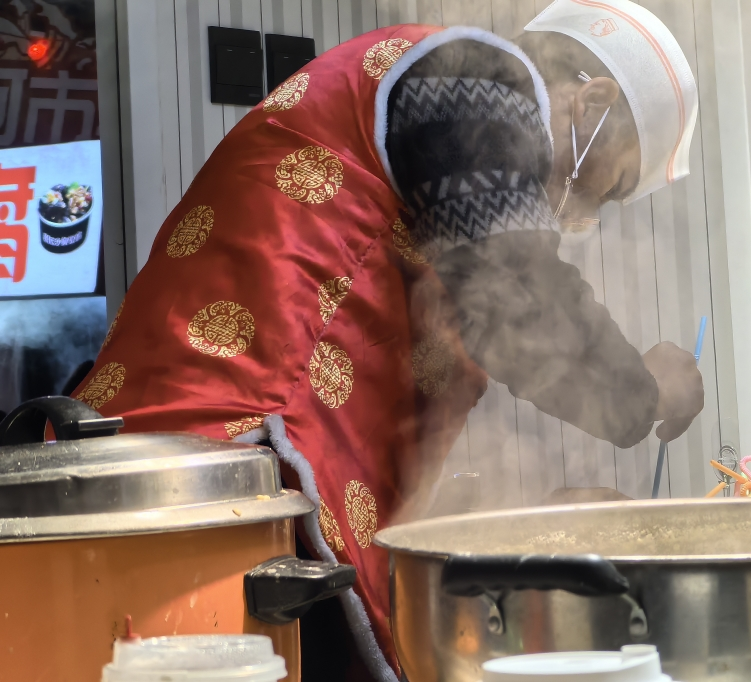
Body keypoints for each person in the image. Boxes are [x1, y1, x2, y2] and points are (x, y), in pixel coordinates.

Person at [70, 0, 702, 679]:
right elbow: (518, 300)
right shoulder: (478, 79)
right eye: (611, 186)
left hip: (215, 473)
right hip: (234, 460)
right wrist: (643, 391)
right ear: (593, 102)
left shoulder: (444, 111)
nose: (586, 211)